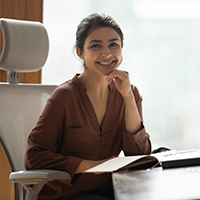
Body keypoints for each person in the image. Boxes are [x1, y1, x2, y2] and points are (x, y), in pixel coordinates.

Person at [24, 12, 151, 200]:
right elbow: (34, 157)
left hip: (112, 192)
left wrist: (127, 97)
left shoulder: (129, 93)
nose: (106, 53)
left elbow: (139, 155)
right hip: (68, 195)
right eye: (96, 46)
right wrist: (88, 165)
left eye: (113, 44)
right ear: (80, 52)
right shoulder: (64, 96)